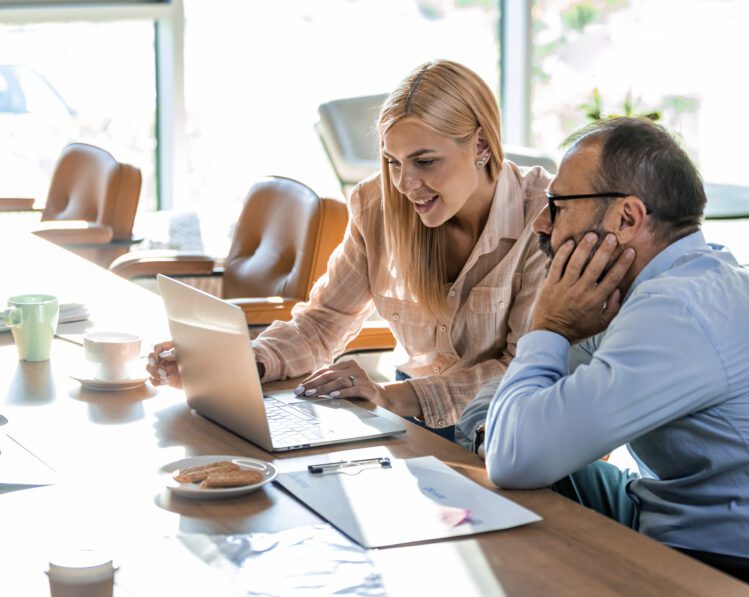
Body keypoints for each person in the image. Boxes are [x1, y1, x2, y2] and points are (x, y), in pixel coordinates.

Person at [463, 117, 749, 597]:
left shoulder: (678, 312)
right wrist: (498, 422)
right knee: (509, 463)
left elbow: (514, 458)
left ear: (627, 219)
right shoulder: (687, 282)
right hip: (712, 529)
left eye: (557, 206)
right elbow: (518, 412)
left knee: (508, 494)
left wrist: (547, 325)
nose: (541, 224)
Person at [148, 60, 550, 438]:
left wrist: (389, 397)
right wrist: (234, 366)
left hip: (508, 430)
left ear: (481, 145)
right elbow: (322, 323)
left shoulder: (545, 216)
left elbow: (523, 368)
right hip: (411, 421)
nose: (404, 184)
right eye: (393, 162)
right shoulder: (377, 206)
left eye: (424, 162)